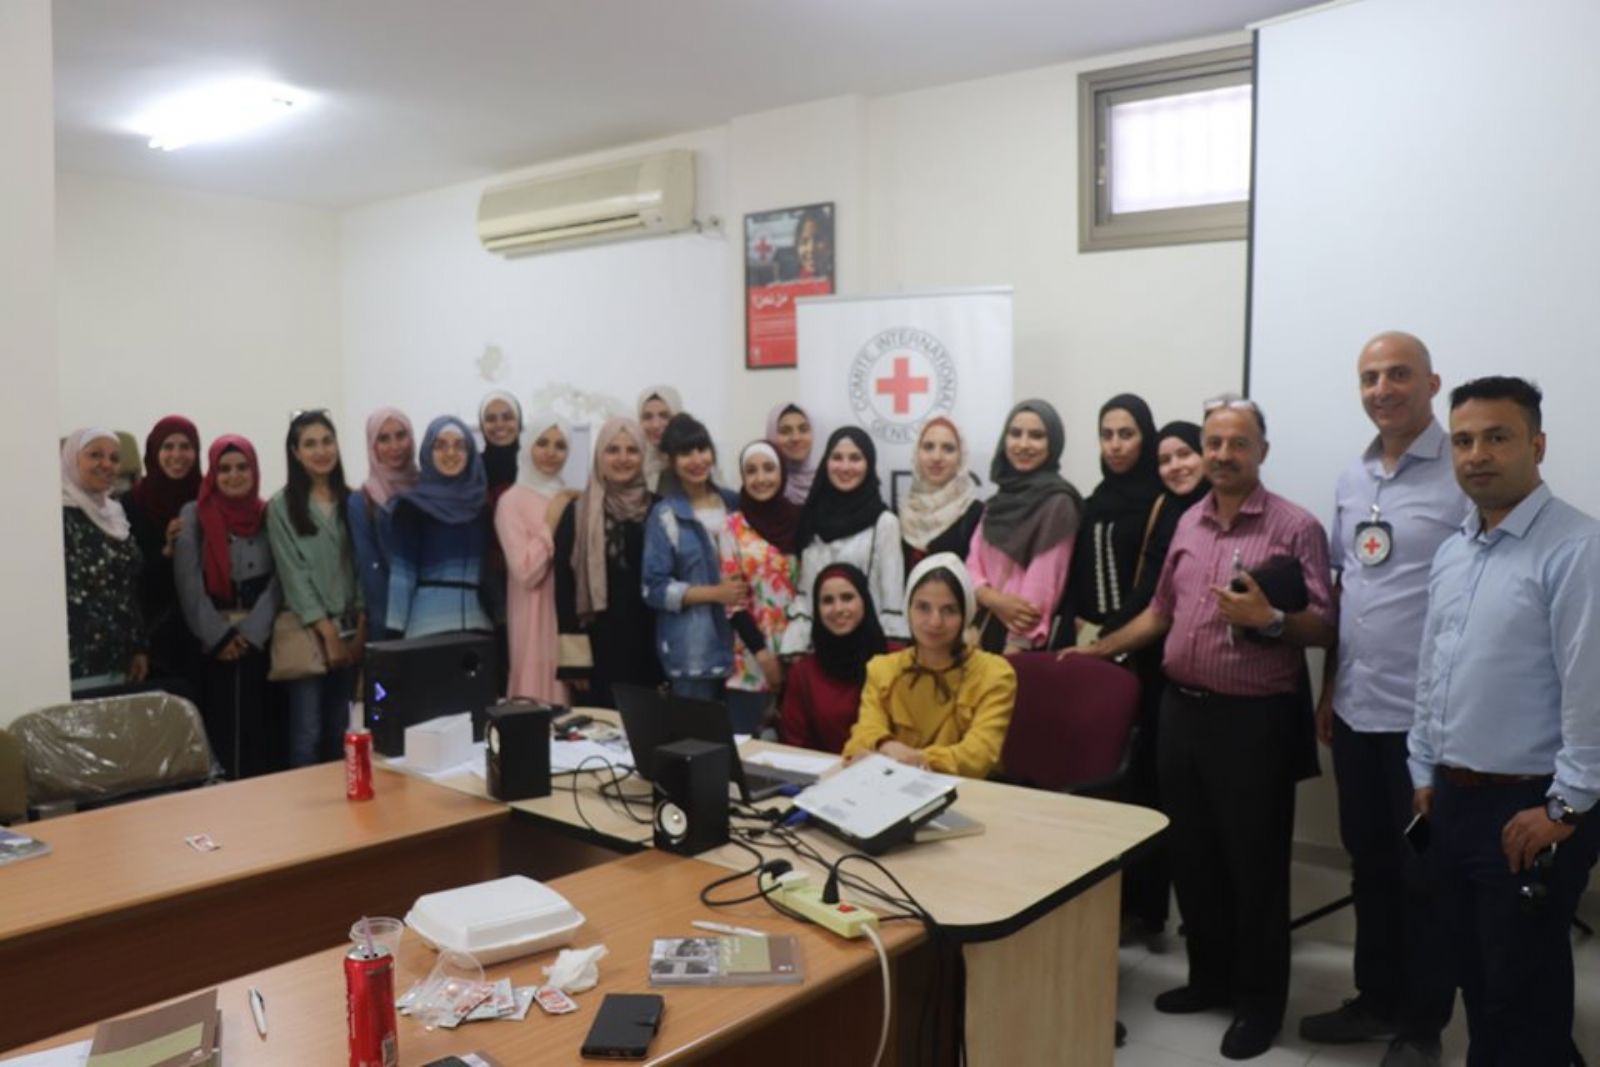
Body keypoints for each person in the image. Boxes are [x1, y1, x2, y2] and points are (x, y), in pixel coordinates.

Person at [1068, 395, 1336, 1061]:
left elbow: (1326, 625)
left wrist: (1271, 620)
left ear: (1262, 450)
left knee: (1254, 868)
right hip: (1181, 713)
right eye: (1213, 442)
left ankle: (1259, 1004)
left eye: (1237, 443)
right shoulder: (1187, 520)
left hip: (1253, 722)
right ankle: (1209, 978)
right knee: (1193, 858)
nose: (1222, 454)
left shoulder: (1296, 526)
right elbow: (1160, 611)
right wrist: (1100, 651)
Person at [1408, 376, 1600, 1066]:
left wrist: (1564, 807)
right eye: (1463, 440)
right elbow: (1435, 667)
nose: (1477, 454)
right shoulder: (1455, 550)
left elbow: (1591, 688)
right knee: (1476, 974)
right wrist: (1423, 767)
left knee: (1521, 992)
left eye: (1497, 437)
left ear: (1537, 445)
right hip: (1454, 798)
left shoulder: (1578, 548)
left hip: (1533, 805)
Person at [1299, 333, 1464, 1066]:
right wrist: (1331, 685)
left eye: (1398, 374)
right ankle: (1377, 999)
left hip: (1428, 726)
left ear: (1432, 383)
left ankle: (1422, 1025)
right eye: (1369, 377)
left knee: (1424, 874)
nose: (1382, 388)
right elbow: (1347, 593)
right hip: (1358, 714)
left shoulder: (1462, 472)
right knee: (1369, 863)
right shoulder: (1351, 476)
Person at [1101, 419, 1211, 946]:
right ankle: (1151, 913)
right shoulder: (1164, 509)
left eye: (1185, 454)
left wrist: (1106, 643)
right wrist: (1107, 641)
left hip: (1210, 686)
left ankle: (1205, 923)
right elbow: (1149, 591)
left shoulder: (1218, 512)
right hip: (1152, 670)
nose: (1175, 466)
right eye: (1165, 459)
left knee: (1200, 810)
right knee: (1148, 793)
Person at [842, 553, 1016, 777]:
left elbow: (978, 755)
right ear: (907, 609)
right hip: (891, 787)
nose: (935, 622)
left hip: (966, 790)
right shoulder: (882, 669)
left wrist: (911, 758)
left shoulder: (995, 674)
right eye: (923, 607)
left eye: (949, 610)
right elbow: (863, 735)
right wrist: (885, 744)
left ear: (966, 615)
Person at [173, 436, 281, 779]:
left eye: (242, 467)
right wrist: (219, 637)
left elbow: (280, 579)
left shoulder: (269, 514)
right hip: (213, 644)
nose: (234, 476)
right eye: (225, 469)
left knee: (263, 728)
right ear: (213, 474)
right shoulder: (194, 514)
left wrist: (252, 633)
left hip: (260, 641)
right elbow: (188, 582)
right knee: (221, 731)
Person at [267, 411, 363, 767]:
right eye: (310, 444)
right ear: (295, 452)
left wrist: (361, 627)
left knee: (342, 729)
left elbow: (361, 567)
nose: (321, 451)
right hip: (308, 631)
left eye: (327, 441)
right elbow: (293, 575)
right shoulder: (281, 507)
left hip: (352, 628)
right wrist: (327, 633)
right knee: (307, 734)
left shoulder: (354, 501)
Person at [553, 417, 662, 707]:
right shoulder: (576, 513)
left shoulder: (660, 509)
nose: (623, 458)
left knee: (648, 728)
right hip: (597, 649)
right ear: (599, 456)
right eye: (613, 450)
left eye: (632, 450)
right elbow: (564, 588)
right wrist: (574, 662)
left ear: (643, 455)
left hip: (650, 647)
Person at [642, 414, 742, 701]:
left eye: (702, 449)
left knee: (746, 729)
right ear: (671, 461)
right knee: (696, 729)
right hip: (693, 651)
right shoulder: (665, 515)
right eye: (686, 453)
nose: (697, 459)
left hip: (743, 648)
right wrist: (716, 593)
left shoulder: (734, 503)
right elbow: (653, 588)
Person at [781, 427, 907, 654]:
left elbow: (892, 597)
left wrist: (891, 656)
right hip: (820, 651)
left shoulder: (884, 523)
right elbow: (806, 593)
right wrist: (796, 647)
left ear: (869, 464)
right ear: (826, 462)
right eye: (837, 457)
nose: (845, 467)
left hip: (868, 651)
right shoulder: (811, 518)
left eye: (855, 458)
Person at [969, 400, 1081, 653]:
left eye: (1036, 436)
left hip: (1018, 641)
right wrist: (993, 599)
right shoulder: (998, 501)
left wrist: (1015, 648)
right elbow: (972, 565)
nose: (1023, 444)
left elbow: (1042, 587)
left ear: (1053, 443)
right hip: (980, 628)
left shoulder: (1058, 502)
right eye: (1015, 433)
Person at [1061, 394, 1163, 644]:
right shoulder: (1090, 505)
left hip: (1143, 643)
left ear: (1146, 438)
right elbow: (1072, 577)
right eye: (1106, 435)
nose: (1114, 446)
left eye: (1126, 435)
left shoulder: (1163, 504)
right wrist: (1074, 624)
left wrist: (1108, 636)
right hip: (1084, 641)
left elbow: (1156, 587)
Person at [386, 416, 492, 639]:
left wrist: (502, 622)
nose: (450, 453)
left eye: (459, 446)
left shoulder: (481, 508)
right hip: (427, 631)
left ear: (471, 453)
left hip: (478, 632)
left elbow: (489, 575)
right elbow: (402, 578)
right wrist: (393, 637)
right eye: (440, 445)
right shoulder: (411, 508)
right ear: (427, 452)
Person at [495, 412, 575, 704]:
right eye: (542, 443)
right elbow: (526, 571)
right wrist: (550, 522)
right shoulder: (511, 501)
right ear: (528, 445)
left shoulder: (568, 497)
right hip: (533, 615)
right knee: (535, 700)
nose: (551, 452)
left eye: (560, 445)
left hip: (566, 615)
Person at [720, 441, 800, 732]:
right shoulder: (732, 525)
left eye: (768, 468)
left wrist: (790, 654)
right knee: (747, 750)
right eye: (751, 471)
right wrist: (763, 655)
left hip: (798, 656)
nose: (761, 478)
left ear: (782, 472)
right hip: (751, 662)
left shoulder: (800, 520)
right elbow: (733, 600)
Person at [61, 428, 149, 690]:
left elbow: (126, 588)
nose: (106, 464)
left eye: (114, 458)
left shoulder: (115, 514)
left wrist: (138, 645)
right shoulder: (56, 516)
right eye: (95, 455)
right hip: (75, 661)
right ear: (72, 459)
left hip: (120, 657)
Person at [123, 416, 202, 681]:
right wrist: (167, 552)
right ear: (154, 451)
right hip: (155, 635)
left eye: (185, 446)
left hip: (205, 631)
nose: (177, 455)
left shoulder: (209, 497)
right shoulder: (132, 503)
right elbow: (131, 576)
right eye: (168, 446)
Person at [780, 564, 887, 753]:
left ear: (865, 600)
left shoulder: (894, 660)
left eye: (847, 598)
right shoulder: (804, 674)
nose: (838, 608)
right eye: (827, 601)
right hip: (824, 769)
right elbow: (794, 744)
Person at [347, 407, 418, 641]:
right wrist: (389, 626)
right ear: (372, 446)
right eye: (384, 439)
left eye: (401, 435)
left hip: (432, 612)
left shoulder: (428, 489)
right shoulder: (362, 501)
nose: (395, 446)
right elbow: (371, 571)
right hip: (390, 620)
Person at [898, 416, 983, 572]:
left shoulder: (976, 514)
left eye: (948, 449)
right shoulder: (901, 512)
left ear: (961, 457)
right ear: (917, 453)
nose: (936, 457)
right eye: (928, 447)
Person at [766, 402, 817, 505]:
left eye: (803, 430)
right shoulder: (763, 486)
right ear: (772, 436)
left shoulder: (828, 482)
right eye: (785, 431)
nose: (796, 438)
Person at [637, 385, 682, 493]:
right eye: (648, 417)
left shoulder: (694, 462)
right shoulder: (632, 464)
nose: (656, 425)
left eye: (664, 416)